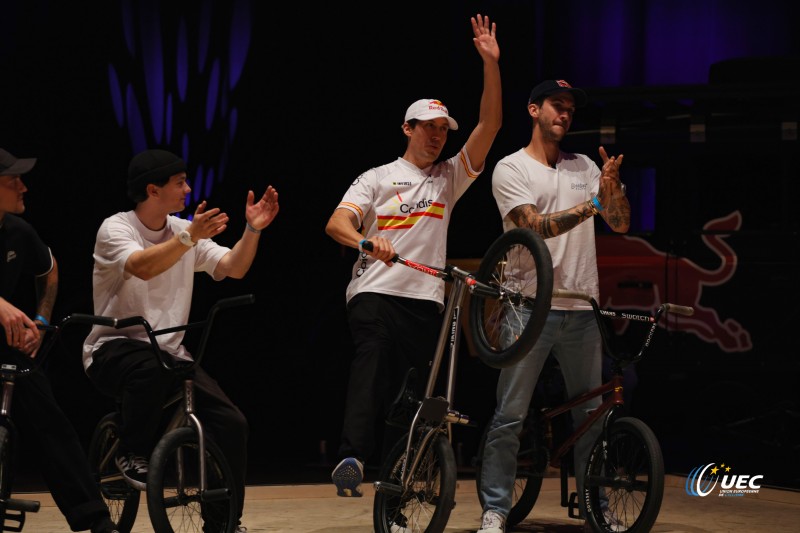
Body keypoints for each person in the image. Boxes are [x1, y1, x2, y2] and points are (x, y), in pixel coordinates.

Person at [324, 13, 502, 498]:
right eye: (428, 127)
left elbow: (490, 124)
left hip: (427, 300)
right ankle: (352, 456)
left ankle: (395, 481)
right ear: (407, 127)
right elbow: (336, 223)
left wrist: (490, 63)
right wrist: (366, 241)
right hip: (375, 291)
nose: (437, 136)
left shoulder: (450, 176)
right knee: (373, 361)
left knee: (412, 394)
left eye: (443, 129)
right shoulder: (377, 176)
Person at [82, 148, 279, 532]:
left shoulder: (184, 230)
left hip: (169, 353)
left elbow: (233, 268)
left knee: (231, 422)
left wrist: (252, 229)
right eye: (179, 183)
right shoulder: (116, 228)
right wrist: (189, 237)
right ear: (152, 190)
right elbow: (142, 265)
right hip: (114, 349)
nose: (188, 188)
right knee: (148, 367)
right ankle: (131, 449)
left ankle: (223, 522)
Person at [476, 80, 631, 533]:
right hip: (528, 306)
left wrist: (613, 191)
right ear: (533, 110)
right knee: (510, 415)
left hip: (583, 308)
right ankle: (496, 509)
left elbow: (619, 224)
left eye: (569, 109)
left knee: (589, 418)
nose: (564, 114)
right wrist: (593, 206)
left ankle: (595, 505)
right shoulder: (511, 168)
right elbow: (536, 227)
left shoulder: (584, 165)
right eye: (555, 106)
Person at [0, 148, 118, 533]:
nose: (24, 186)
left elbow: (48, 271)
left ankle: (94, 518)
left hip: (5, 345)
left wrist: (41, 319)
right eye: (13, 180)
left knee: (49, 418)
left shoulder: (18, 231)